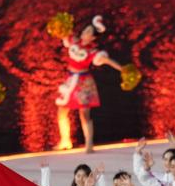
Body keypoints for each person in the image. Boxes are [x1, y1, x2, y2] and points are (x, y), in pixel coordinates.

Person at [53, 16, 124, 152]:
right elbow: (62, 32)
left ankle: (89, 144)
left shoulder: (93, 52)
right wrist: (58, 26)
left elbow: (108, 61)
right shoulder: (73, 41)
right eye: (85, 30)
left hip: (83, 83)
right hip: (70, 80)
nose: (85, 33)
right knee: (62, 110)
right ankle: (65, 141)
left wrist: (122, 69)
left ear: (93, 37)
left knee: (84, 114)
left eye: (88, 32)